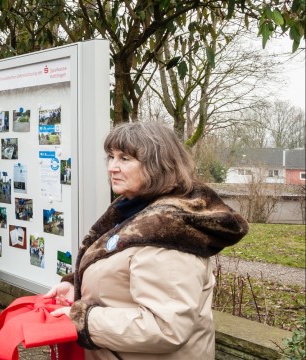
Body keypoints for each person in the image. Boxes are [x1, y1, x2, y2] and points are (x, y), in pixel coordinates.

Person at [44, 122, 248, 359]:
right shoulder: (135, 210)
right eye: (111, 157)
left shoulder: (170, 232)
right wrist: (76, 287)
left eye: (125, 158)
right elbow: (120, 277)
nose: (112, 167)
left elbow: (165, 327)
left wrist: (82, 319)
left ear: (158, 165)